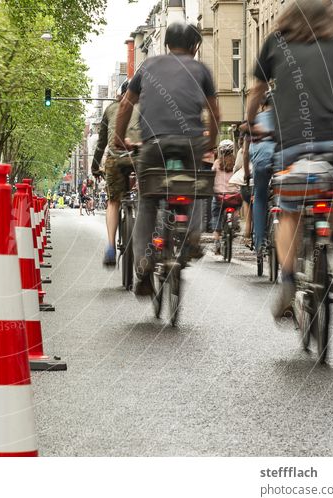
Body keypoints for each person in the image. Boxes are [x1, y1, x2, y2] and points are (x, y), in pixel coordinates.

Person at [245, 0, 333, 318]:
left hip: (293, 144)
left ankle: (286, 280)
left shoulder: (275, 43)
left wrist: (252, 121)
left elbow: (257, 90)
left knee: (288, 213)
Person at [113, 21, 220, 296]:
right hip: (190, 144)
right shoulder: (201, 69)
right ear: (194, 47)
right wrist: (211, 141)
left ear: (165, 45)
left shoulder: (148, 67)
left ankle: (144, 265)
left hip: (154, 145)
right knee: (195, 187)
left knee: (148, 201)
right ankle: (192, 238)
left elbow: (126, 104)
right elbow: (214, 110)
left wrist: (118, 137)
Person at [91, 79, 143, 266]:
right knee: (148, 198)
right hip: (141, 157)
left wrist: (95, 167)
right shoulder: (147, 108)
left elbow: (101, 143)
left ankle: (111, 247)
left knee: (113, 201)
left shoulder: (112, 108)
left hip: (116, 156)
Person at [247, 92, 276, 255]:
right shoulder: (284, 117)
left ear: (263, 105)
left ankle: (259, 243)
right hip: (280, 158)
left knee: (260, 197)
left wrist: (246, 174)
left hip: (260, 162)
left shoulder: (256, 119)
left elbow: (246, 152)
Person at [211, 140, 239, 253]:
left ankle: (216, 240)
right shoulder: (236, 163)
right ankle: (234, 223)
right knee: (237, 208)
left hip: (219, 196)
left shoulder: (217, 163)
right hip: (234, 195)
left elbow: (212, 175)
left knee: (216, 216)